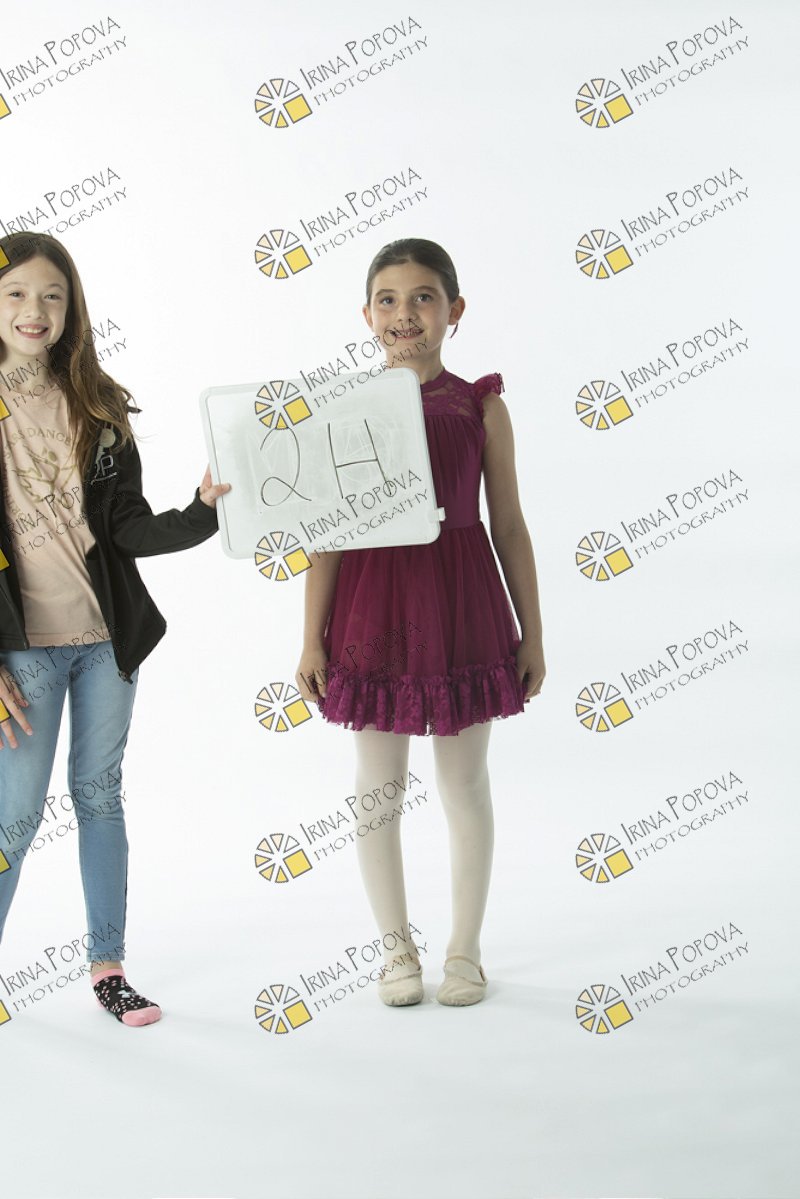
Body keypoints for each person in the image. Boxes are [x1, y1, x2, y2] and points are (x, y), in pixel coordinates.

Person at [295, 238, 545, 1007]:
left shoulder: (481, 406)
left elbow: (509, 523)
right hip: (373, 603)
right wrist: (311, 637)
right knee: (378, 787)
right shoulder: (348, 409)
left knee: (463, 781)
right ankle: (395, 947)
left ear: (454, 310)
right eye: (389, 300)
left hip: (463, 600)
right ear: (367, 315)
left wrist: (532, 632)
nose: (405, 314)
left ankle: (465, 949)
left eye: (424, 297)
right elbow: (328, 532)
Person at [0, 232, 230, 1026]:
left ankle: (109, 969)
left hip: (106, 643)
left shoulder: (97, 404)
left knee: (99, 798)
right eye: (16, 293)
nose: (35, 310)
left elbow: (127, 525)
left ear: (73, 308)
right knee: (14, 817)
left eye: (52, 295)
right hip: (21, 651)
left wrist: (201, 510)